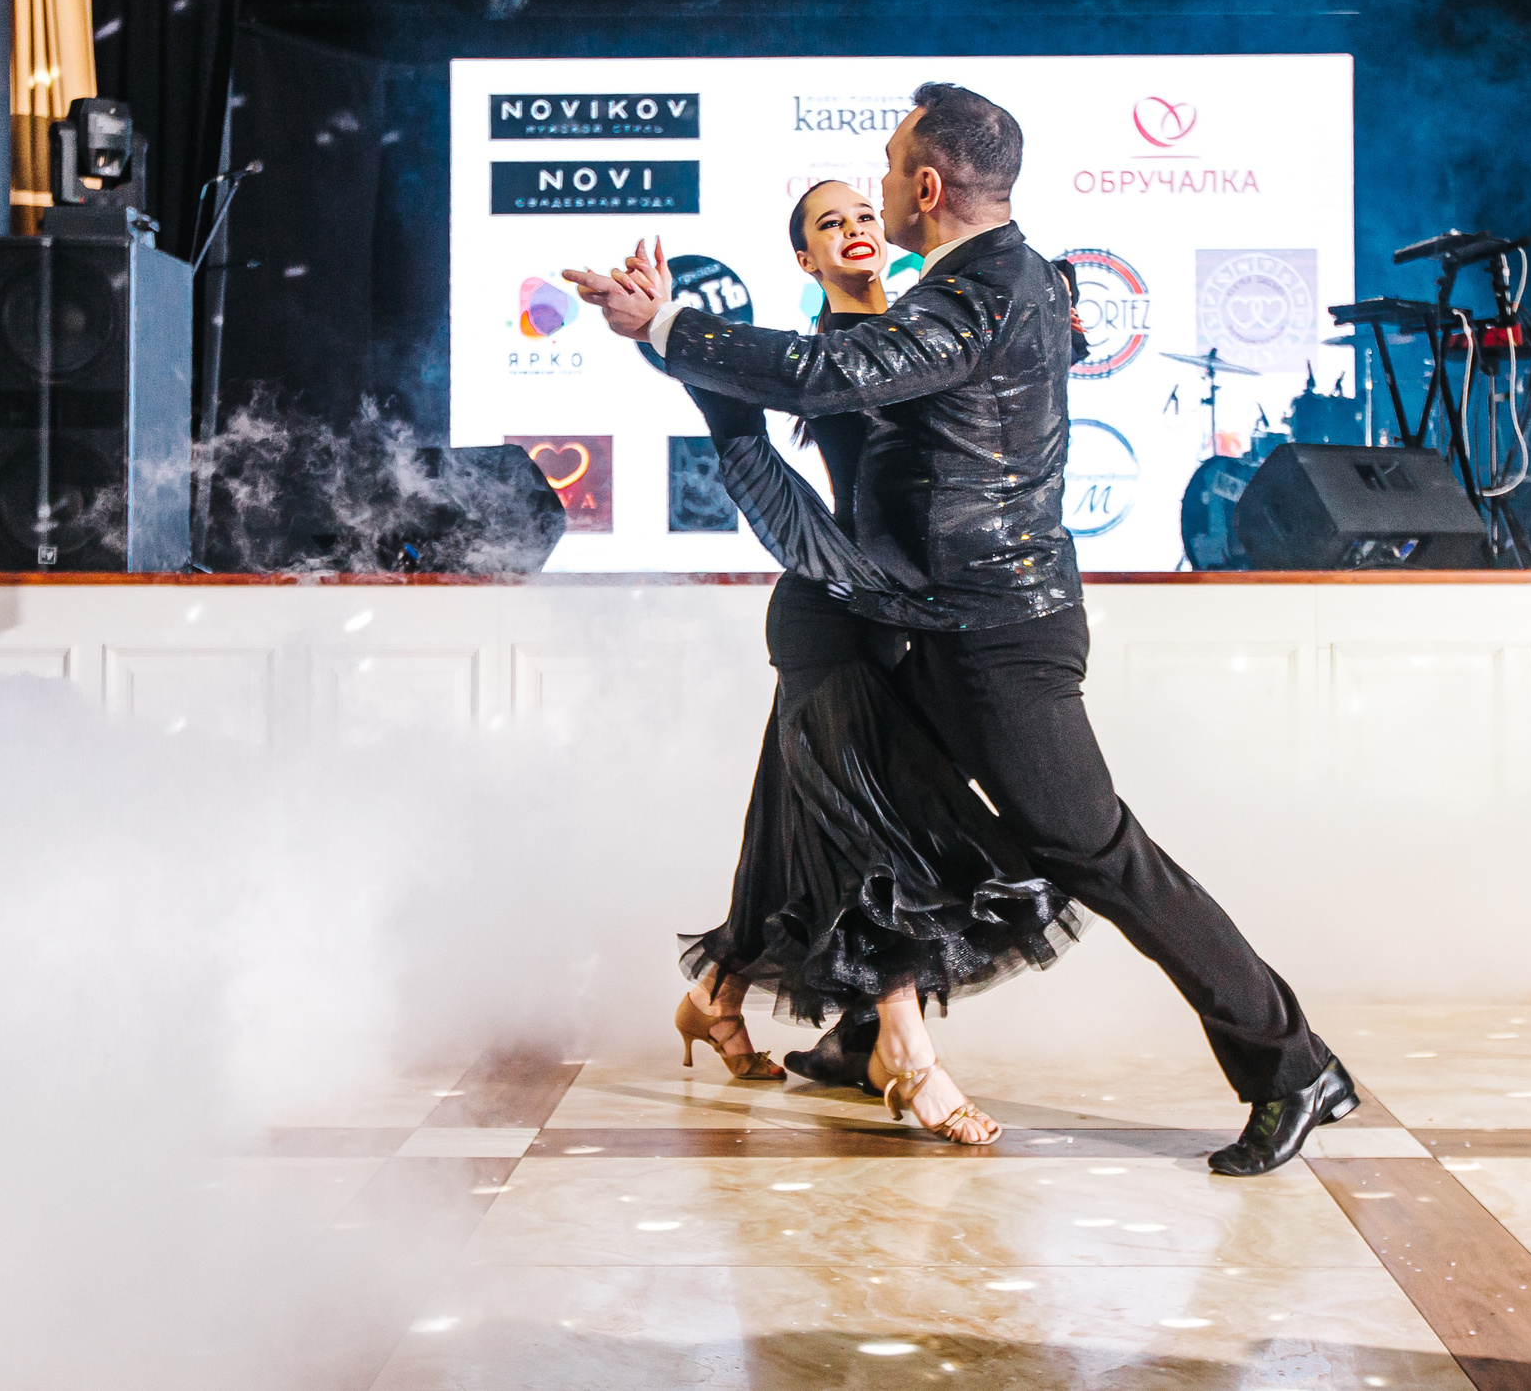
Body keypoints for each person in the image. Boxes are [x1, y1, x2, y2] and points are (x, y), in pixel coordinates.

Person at [566, 83, 1360, 1178]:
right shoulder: (989, 285)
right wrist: (669, 337)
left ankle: (1291, 1065)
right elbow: (830, 368)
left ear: (926, 188)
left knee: (1097, 854)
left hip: (996, 632)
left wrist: (664, 324)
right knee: (900, 824)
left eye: (889, 170)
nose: (879, 189)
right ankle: (859, 1036)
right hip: (936, 619)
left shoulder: (975, 298)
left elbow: (831, 372)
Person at [663, 179, 1085, 1145]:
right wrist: (682, 344)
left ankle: (714, 999)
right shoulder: (815, 356)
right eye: (828, 224)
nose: (855, 227)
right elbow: (752, 456)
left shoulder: (930, 326)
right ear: (805, 260)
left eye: (862, 213)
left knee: (792, 835)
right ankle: (908, 1054)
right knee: (878, 835)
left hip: (908, 618)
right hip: (832, 612)